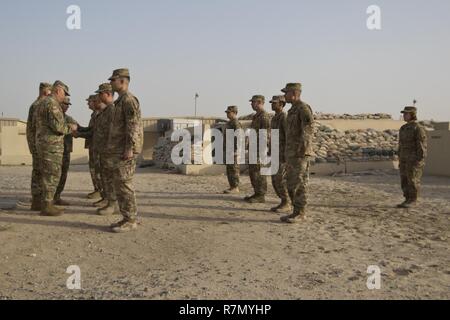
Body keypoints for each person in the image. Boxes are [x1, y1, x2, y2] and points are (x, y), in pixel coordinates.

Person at [105, 69, 143, 232]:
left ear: (123, 81)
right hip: (118, 150)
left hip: (125, 150)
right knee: (119, 184)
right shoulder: (120, 101)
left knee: (125, 184)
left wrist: (129, 147)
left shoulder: (128, 100)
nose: (111, 83)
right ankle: (125, 217)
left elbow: (133, 125)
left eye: (113, 80)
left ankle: (131, 220)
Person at [35, 81, 77, 216]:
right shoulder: (51, 104)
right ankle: (47, 205)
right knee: (51, 175)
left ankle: (46, 203)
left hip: (45, 144)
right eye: (64, 93)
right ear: (58, 90)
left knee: (47, 175)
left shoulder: (43, 102)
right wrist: (71, 127)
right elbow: (59, 127)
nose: (64, 97)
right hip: (51, 146)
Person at [280, 83, 314, 224]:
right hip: (291, 154)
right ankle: (295, 211)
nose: (284, 96)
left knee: (300, 183)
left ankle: (301, 213)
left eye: (286, 93)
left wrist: (303, 150)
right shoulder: (292, 110)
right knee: (291, 183)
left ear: (294, 93)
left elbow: (308, 130)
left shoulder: (303, 108)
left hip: (300, 154)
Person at [26, 82, 52, 211]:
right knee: (42, 173)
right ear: (45, 91)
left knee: (37, 172)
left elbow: (29, 128)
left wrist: (32, 146)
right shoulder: (41, 105)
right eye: (49, 92)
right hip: (41, 144)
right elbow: (32, 128)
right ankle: (41, 202)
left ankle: (36, 201)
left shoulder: (34, 105)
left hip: (36, 144)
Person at [397, 106, 428, 208]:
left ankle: (413, 200)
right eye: (404, 114)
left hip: (414, 159)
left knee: (413, 180)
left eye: (406, 114)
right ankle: (407, 199)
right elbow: (401, 144)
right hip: (404, 159)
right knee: (404, 179)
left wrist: (419, 160)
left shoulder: (418, 128)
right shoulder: (403, 128)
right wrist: (400, 157)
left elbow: (421, 144)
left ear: (412, 115)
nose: (404, 115)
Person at [244, 95, 270, 204]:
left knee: (259, 172)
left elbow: (266, 134)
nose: (251, 104)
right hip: (254, 148)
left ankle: (261, 195)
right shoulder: (256, 116)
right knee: (253, 172)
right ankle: (256, 193)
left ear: (259, 102)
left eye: (253, 102)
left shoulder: (264, 116)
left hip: (260, 148)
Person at [54, 97, 78, 205]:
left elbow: (79, 128)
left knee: (63, 175)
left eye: (68, 105)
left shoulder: (68, 118)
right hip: (55, 150)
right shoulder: (54, 116)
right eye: (65, 104)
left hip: (66, 150)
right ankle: (49, 198)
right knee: (54, 175)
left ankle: (57, 196)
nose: (67, 106)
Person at [269, 95, 291, 212]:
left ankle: (287, 202)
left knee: (281, 179)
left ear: (281, 104)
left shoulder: (284, 117)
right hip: (274, 153)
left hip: (282, 154)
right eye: (272, 103)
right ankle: (283, 201)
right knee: (275, 179)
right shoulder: (274, 118)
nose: (272, 105)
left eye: (275, 103)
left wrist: (286, 154)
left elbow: (288, 136)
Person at [223, 106, 242, 194]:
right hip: (229, 150)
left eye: (229, 112)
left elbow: (239, 137)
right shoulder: (229, 123)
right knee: (229, 169)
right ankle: (232, 186)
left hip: (234, 150)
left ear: (234, 112)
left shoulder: (236, 123)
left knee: (234, 169)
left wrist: (237, 150)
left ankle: (235, 187)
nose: (227, 114)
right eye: (227, 112)